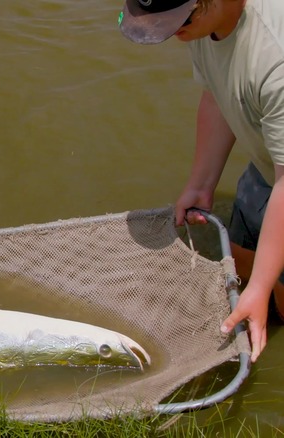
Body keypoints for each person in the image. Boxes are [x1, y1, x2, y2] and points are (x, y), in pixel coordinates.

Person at [118, 0, 284, 362]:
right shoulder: (202, 23)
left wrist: (261, 286)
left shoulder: (276, 59)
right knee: (241, 263)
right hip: (269, 166)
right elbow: (217, 95)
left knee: (277, 293)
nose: (175, 32)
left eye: (180, 20)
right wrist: (202, 183)